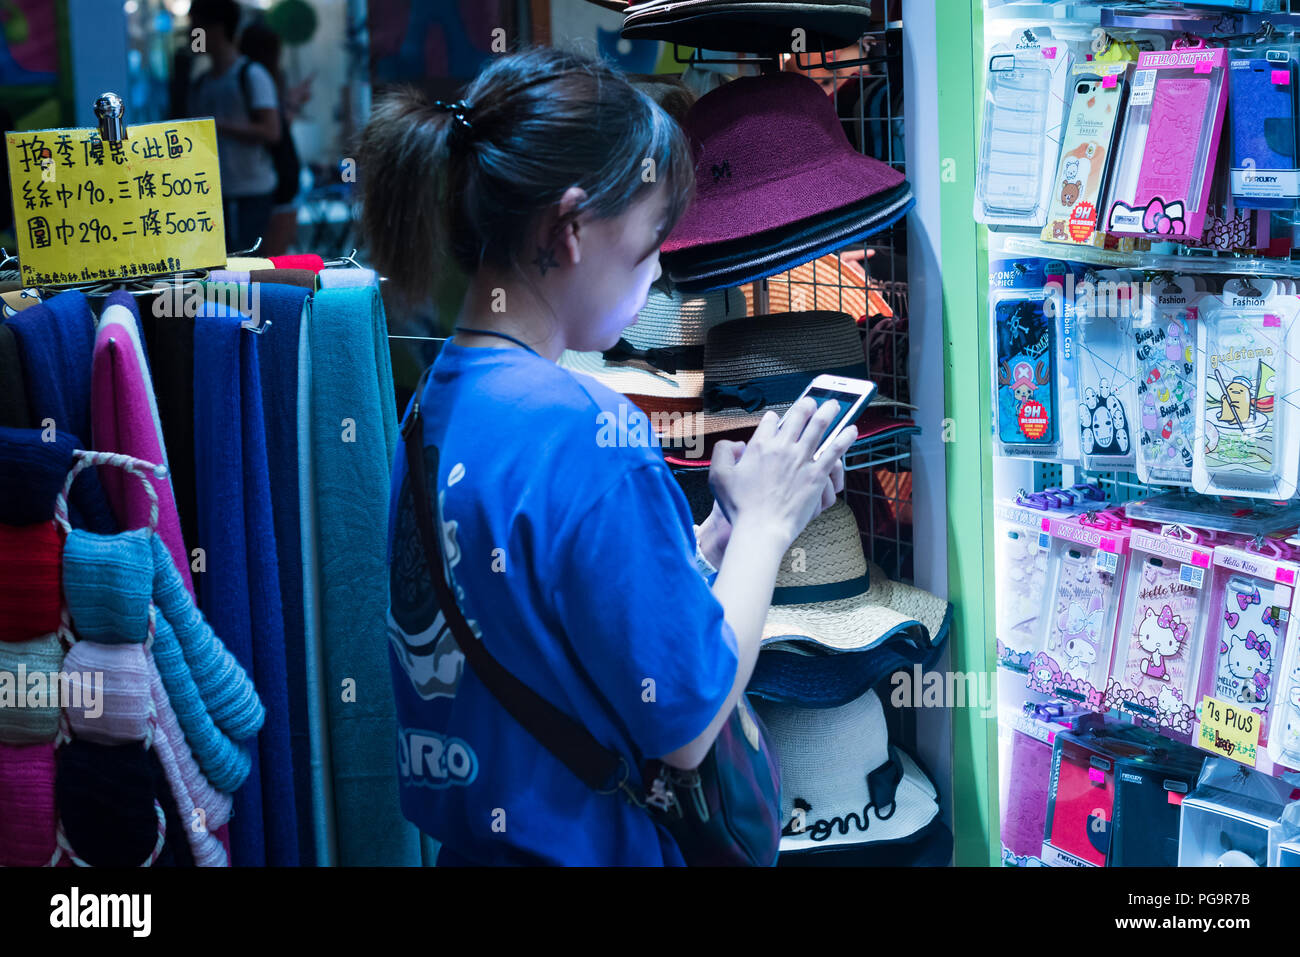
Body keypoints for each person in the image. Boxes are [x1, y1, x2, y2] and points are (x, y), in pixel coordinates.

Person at [358, 47, 855, 866]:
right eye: (650, 239)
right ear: (572, 227)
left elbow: (541, 616)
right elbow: (690, 725)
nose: (659, 268)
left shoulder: (432, 405)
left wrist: (709, 545)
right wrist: (767, 527)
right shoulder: (586, 427)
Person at [187, 0, 281, 253]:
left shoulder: (251, 74)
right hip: (215, 193)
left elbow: (272, 130)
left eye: (196, 26)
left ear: (216, 28)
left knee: (247, 266)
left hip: (251, 191)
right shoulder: (201, 82)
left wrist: (217, 126)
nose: (190, 33)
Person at [239, 21, 311, 257]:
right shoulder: (257, 78)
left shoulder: (257, 78)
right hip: (279, 174)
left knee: (269, 253)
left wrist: (292, 101)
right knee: (273, 255)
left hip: (279, 174)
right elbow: (274, 131)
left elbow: (275, 129)